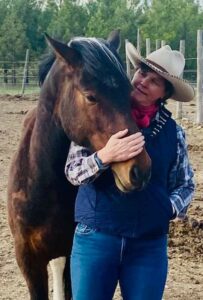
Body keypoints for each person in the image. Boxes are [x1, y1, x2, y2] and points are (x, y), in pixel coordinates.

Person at [65, 43, 195, 300]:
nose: (144, 81)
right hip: (96, 237)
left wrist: (168, 208)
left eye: (155, 81)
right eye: (142, 72)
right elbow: (73, 171)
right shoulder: (97, 112)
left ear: (164, 93)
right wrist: (104, 156)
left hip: (148, 245)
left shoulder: (174, 133)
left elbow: (186, 184)